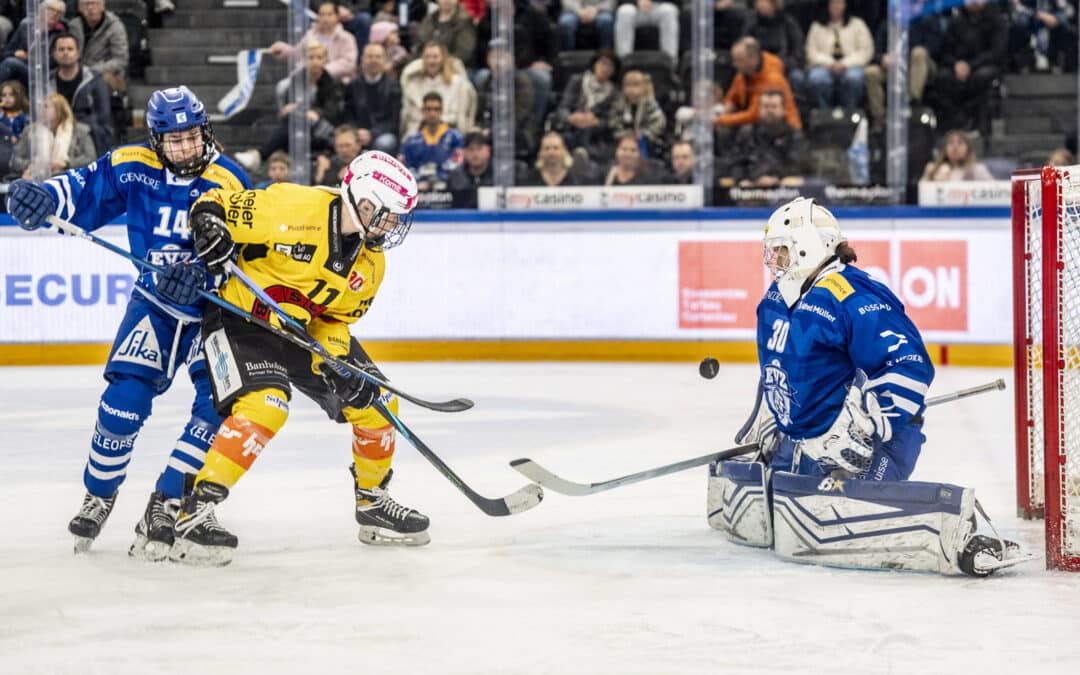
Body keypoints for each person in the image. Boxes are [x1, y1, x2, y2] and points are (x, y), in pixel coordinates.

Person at [707, 197, 1026, 576]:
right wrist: (767, 419)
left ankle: (960, 534)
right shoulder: (776, 299)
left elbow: (907, 364)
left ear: (808, 246)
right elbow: (777, 368)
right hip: (804, 441)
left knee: (831, 524)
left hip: (867, 444)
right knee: (778, 520)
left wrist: (872, 424)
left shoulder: (852, 296)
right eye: (771, 251)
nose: (773, 260)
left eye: (782, 250)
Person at [4, 86, 251, 560]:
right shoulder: (132, 164)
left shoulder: (231, 179)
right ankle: (99, 494)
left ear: (206, 131)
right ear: (156, 140)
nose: (183, 148)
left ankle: (169, 501)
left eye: (191, 136)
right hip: (154, 305)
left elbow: (252, 251)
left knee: (216, 409)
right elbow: (82, 189)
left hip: (214, 314)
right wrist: (44, 197)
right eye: (172, 139)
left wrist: (207, 272)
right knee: (122, 404)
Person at [168, 150, 424, 565]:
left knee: (379, 404)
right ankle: (194, 511)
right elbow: (212, 204)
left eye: (398, 218)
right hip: (240, 317)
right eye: (387, 215)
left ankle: (373, 501)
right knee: (267, 406)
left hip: (298, 333)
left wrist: (336, 362)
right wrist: (208, 226)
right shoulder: (293, 205)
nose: (392, 226)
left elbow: (334, 322)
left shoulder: (372, 265)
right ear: (361, 201)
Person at [50, 31, 113, 154]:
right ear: (55, 54)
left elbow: (103, 117)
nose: (66, 53)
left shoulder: (94, 80)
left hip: (87, 136)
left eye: (70, 49)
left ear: (78, 53)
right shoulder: (48, 81)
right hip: (54, 135)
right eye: (61, 49)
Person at [6, 91, 95, 178]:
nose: (41, 110)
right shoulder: (30, 131)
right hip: (38, 178)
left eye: (46, 107)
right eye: (40, 106)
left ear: (59, 110)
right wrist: (32, 165)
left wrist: (65, 164)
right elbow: (15, 159)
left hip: (69, 179)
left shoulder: (80, 130)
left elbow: (90, 158)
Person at [804, 0, 874, 110]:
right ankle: (825, 114)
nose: (836, 6)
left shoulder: (857, 24)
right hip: (824, 66)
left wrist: (845, 63)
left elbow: (866, 51)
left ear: (846, 5)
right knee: (817, 79)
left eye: (840, 3)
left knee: (853, 79)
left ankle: (849, 113)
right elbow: (811, 52)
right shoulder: (817, 26)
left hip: (851, 65)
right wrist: (830, 63)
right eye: (833, 3)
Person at [268, 0, 358, 84]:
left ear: (337, 17)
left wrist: (321, 70)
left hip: (337, 81)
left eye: (329, 14)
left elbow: (349, 64)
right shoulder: (311, 35)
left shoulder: (347, 38)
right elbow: (298, 53)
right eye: (322, 15)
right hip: (309, 81)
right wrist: (283, 49)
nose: (325, 18)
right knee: (282, 86)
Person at [401, 91, 464, 192]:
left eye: (436, 109)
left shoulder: (455, 137)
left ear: (442, 111)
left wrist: (436, 177)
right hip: (418, 189)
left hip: (448, 189)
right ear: (422, 110)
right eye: (428, 109)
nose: (432, 113)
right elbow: (404, 167)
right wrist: (418, 181)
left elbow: (457, 163)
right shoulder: (411, 140)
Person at [920, 129, 993, 182]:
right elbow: (922, 193)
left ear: (968, 149)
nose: (955, 147)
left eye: (960, 143)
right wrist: (934, 181)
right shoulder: (932, 168)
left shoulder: (977, 169)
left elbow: (996, 190)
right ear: (945, 148)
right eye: (950, 142)